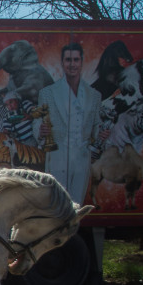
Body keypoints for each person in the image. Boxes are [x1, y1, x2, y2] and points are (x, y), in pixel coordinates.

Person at [37, 42, 102, 203]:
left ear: (81, 61)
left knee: (76, 205)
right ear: (62, 62)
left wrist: (102, 133)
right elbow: (38, 120)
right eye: (68, 60)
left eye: (75, 60)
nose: (72, 64)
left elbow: (96, 125)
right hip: (57, 154)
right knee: (57, 203)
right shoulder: (48, 93)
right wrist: (40, 130)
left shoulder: (94, 96)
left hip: (81, 158)